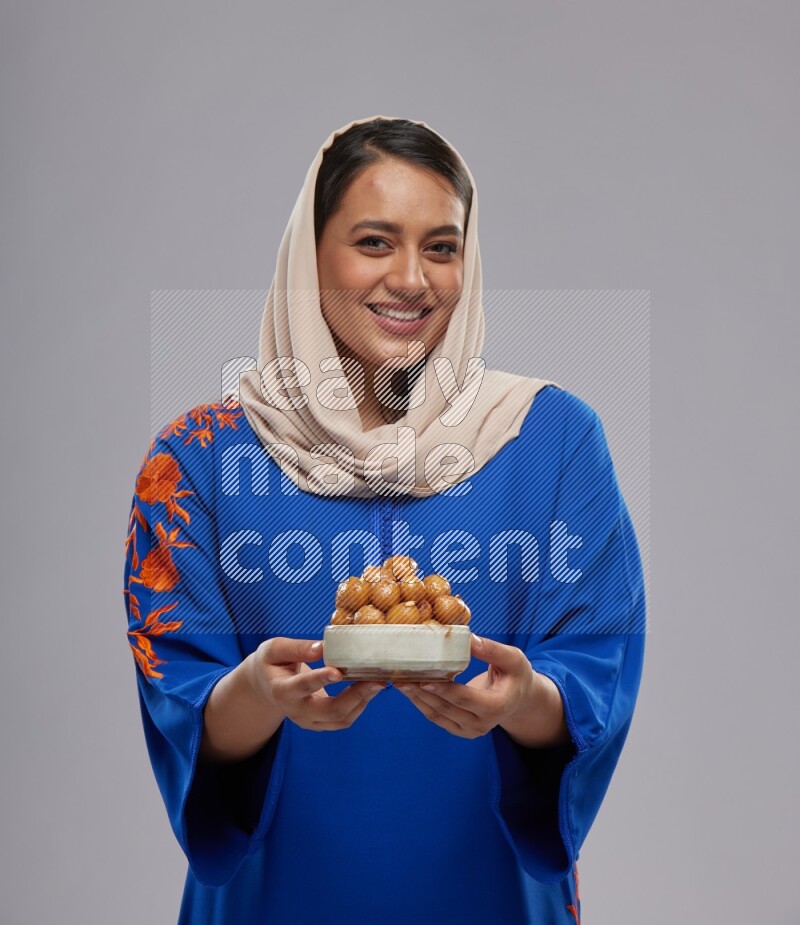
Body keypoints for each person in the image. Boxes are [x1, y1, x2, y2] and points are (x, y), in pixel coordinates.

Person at [123, 115, 646, 924]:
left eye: (441, 247)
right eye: (374, 242)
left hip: (491, 896)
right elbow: (181, 704)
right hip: (277, 899)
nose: (412, 278)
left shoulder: (553, 439)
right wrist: (259, 692)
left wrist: (520, 700)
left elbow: (594, 668)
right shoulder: (197, 458)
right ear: (310, 256)